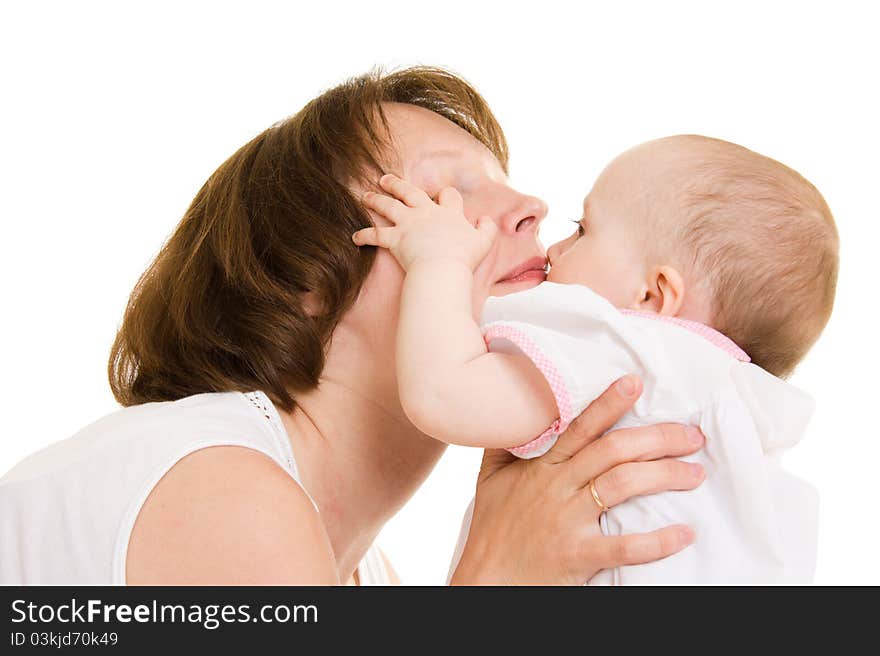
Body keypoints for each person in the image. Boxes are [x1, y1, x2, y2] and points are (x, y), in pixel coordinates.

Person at [0, 68, 705, 586]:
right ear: (305, 274)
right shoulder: (221, 492)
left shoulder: (368, 575)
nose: (531, 206)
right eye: (444, 196)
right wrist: (493, 583)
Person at [352, 135, 838, 583]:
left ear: (652, 295)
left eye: (582, 230)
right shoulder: (738, 416)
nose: (557, 248)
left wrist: (440, 261)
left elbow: (444, 394)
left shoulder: (622, 344)